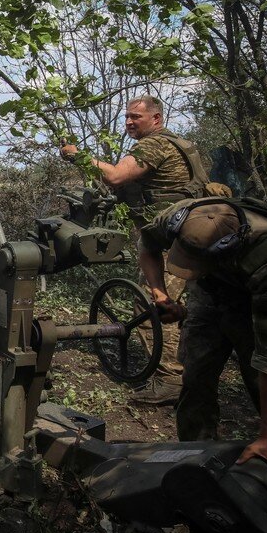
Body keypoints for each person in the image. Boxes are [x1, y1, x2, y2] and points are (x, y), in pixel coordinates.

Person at [60, 96, 215, 404]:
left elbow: (116, 175)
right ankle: (195, 376)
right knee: (195, 310)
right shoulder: (179, 144)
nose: (129, 122)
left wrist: (77, 156)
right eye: (127, 117)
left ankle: (170, 382)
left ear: (156, 119)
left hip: (177, 244)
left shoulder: (154, 146)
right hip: (189, 237)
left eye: (136, 117)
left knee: (152, 308)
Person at [138, 196, 267, 463]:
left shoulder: (265, 260)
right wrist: (161, 294)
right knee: (195, 376)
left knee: (257, 377)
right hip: (209, 291)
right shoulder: (178, 217)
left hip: (252, 299)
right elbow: (147, 245)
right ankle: (195, 458)